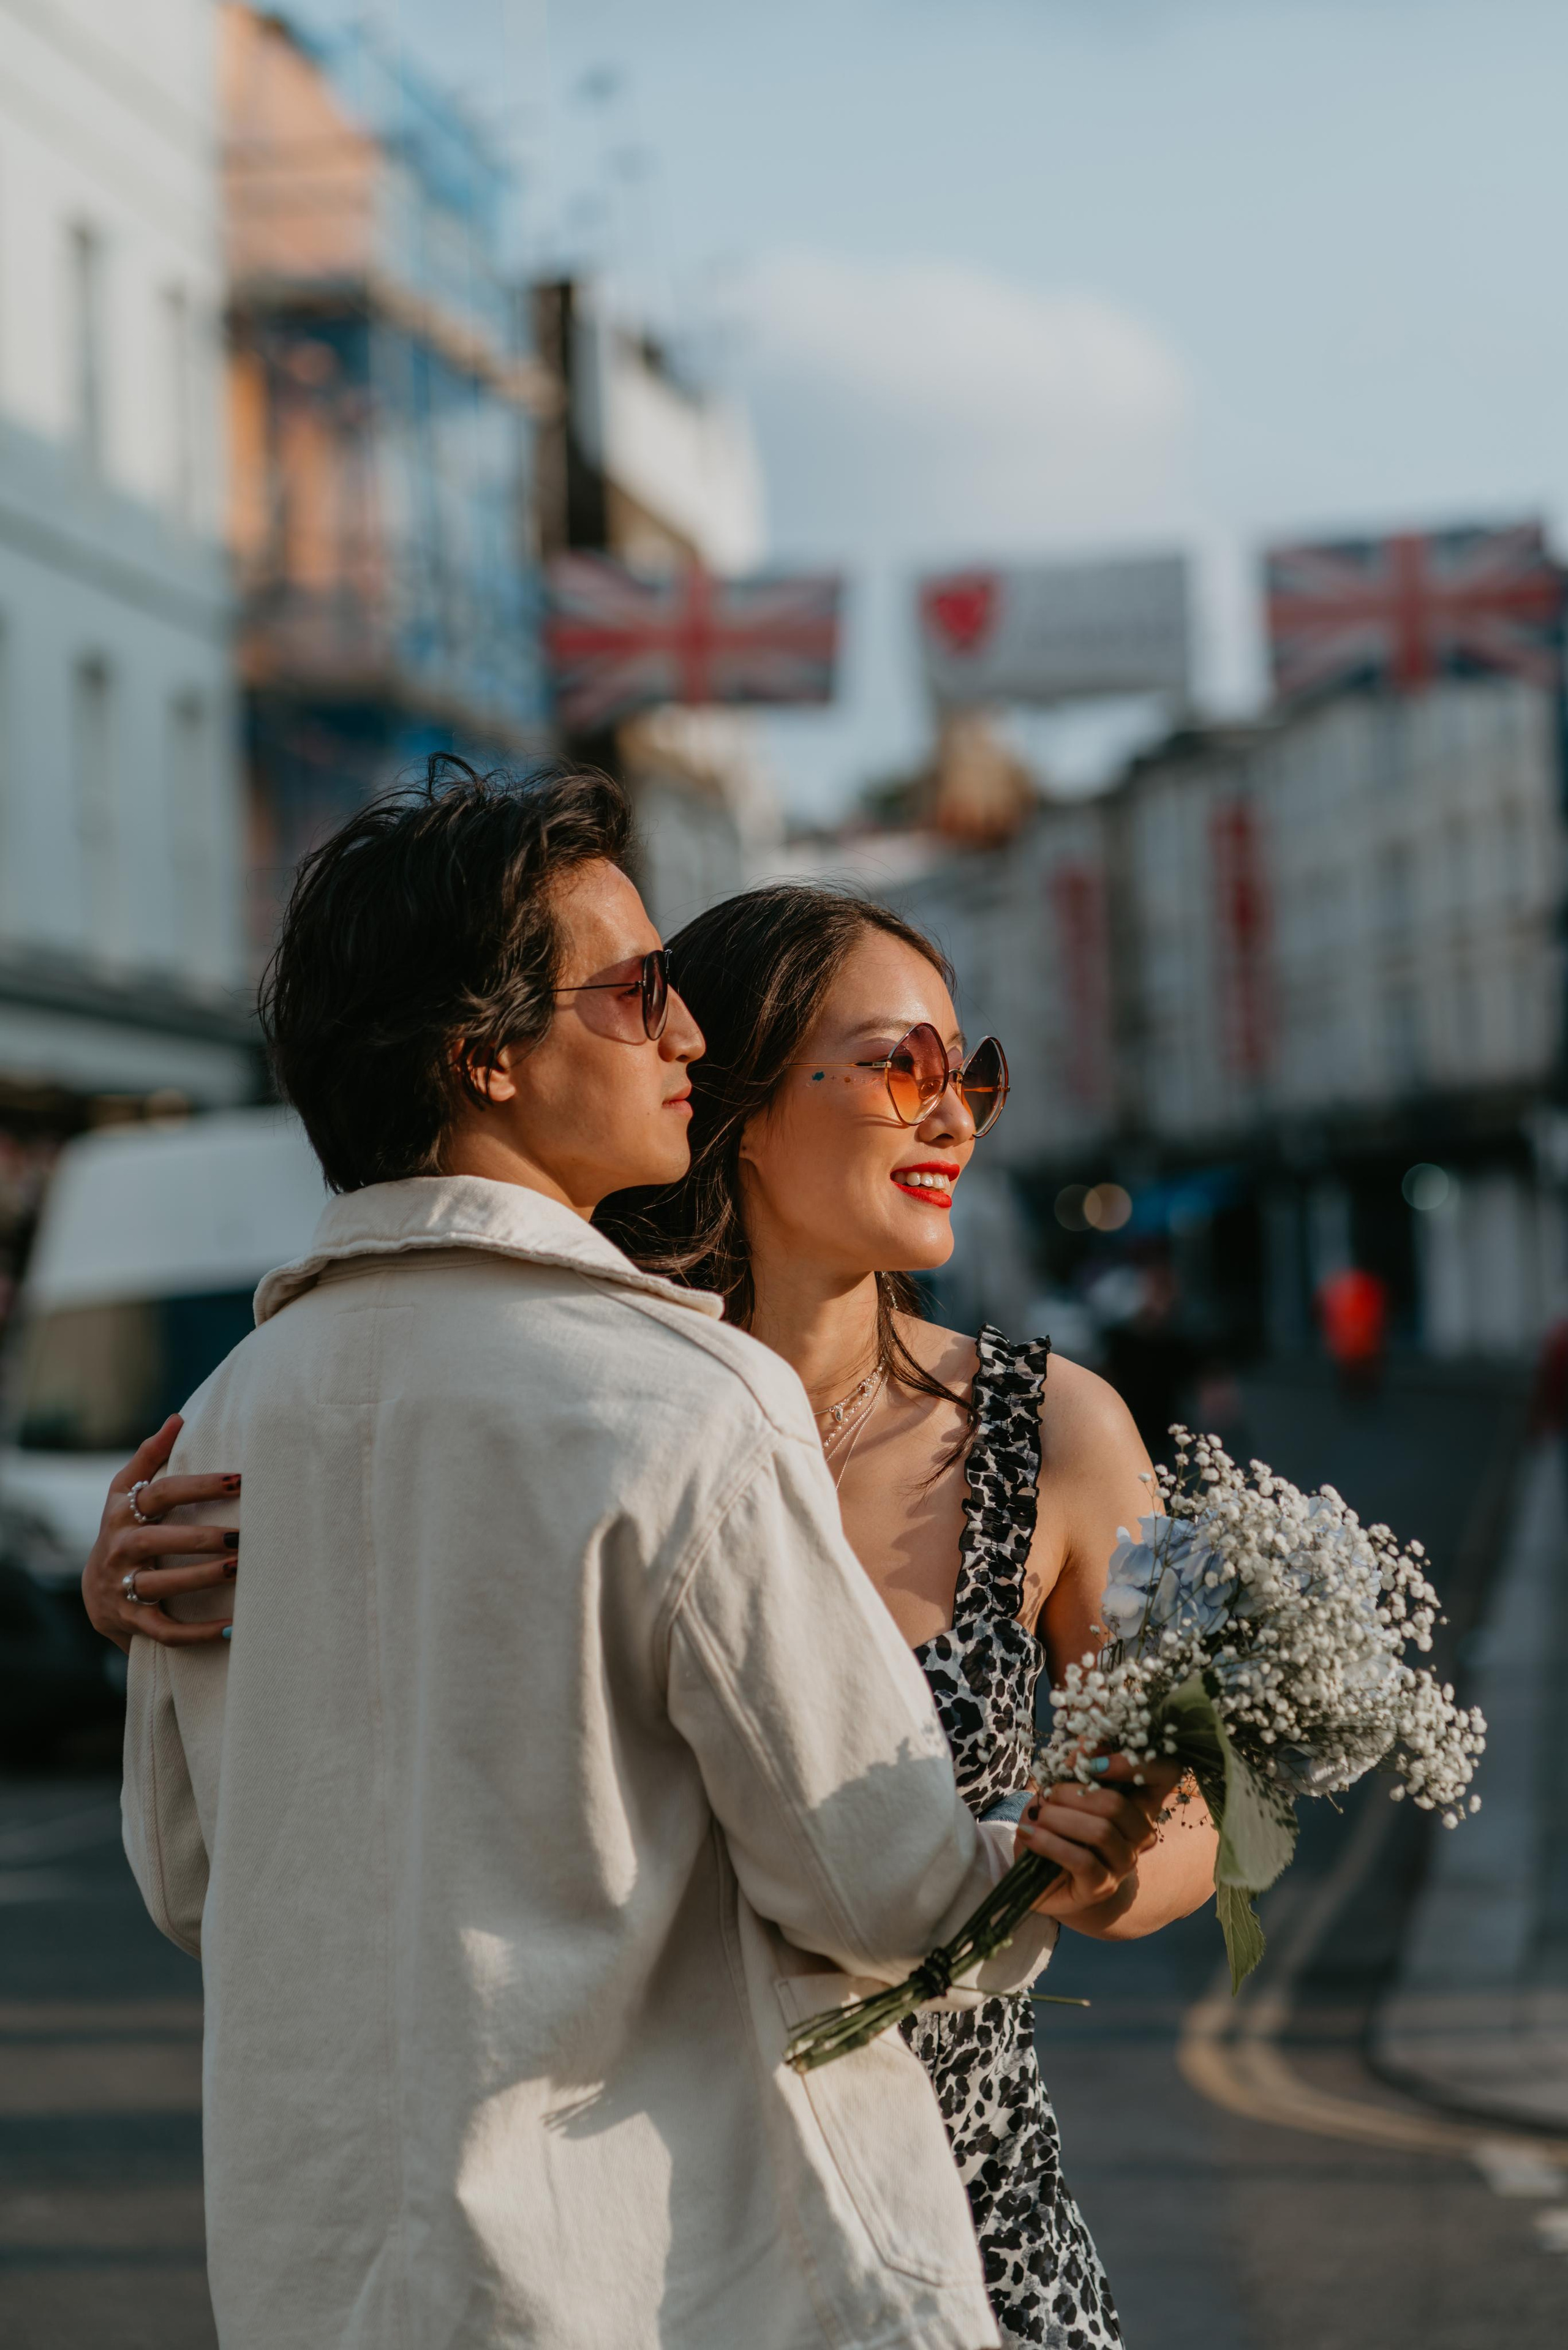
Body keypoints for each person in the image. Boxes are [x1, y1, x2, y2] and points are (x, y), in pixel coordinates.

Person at [85, 761, 1177, 2350]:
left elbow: (196, 1879)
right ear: (484, 1054)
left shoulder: (228, 1417)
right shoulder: (684, 1397)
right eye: (640, 992)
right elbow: (880, 1890)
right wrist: (1019, 1865)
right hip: (679, 2263)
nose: (680, 1032)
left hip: (333, 2281)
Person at [596, 885, 1219, 2350]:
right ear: (735, 1097)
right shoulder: (585, 1417)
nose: (956, 1121)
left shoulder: (1062, 1425)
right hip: (647, 2220)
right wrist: (150, 1586)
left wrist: (1115, 1862)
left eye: (970, 1074)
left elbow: (1207, 1813)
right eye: (903, 1067)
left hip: (966, 2228)